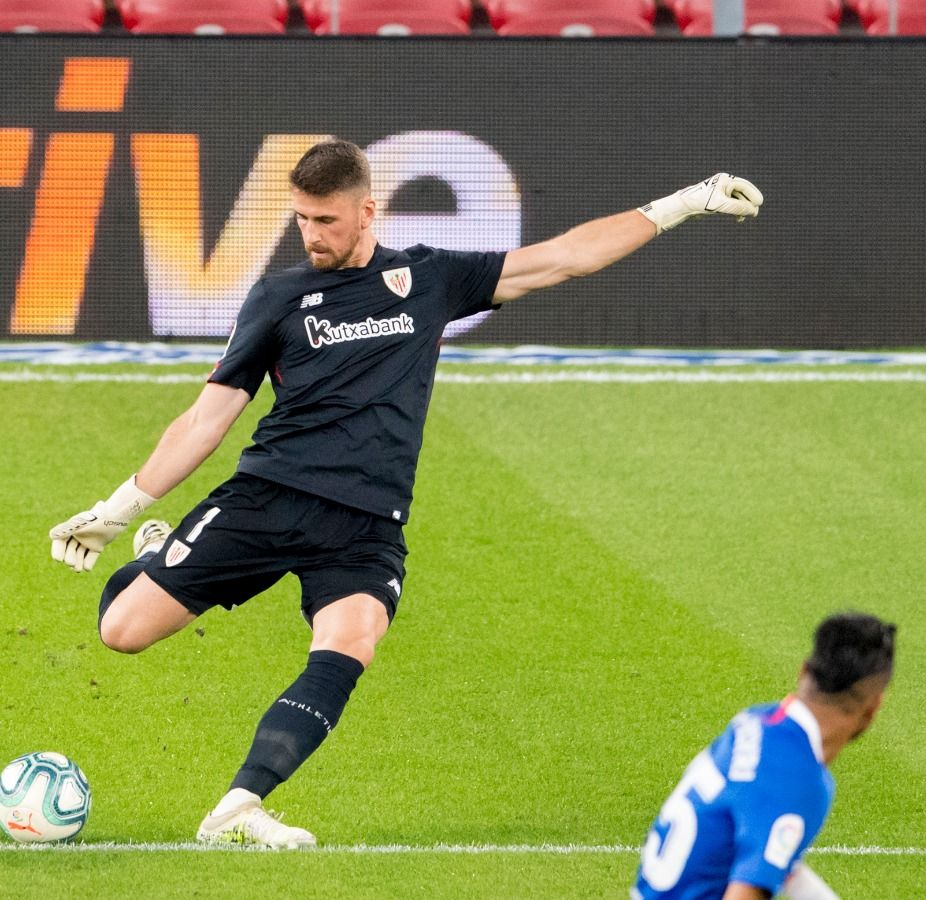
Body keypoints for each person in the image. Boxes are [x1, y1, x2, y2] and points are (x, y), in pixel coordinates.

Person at [48, 139, 764, 848]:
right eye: (300, 219)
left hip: (367, 526)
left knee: (351, 639)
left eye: (326, 220)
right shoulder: (279, 297)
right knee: (123, 632)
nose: (311, 235)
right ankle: (155, 555)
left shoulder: (428, 279)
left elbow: (564, 256)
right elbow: (209, 416)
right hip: (270, 496)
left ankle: (238, 808)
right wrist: (119, 509)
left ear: (367, 211)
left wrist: (682, 204)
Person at [633, 612, 898, 899]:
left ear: (804, 671)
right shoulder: (800, 781)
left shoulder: (756, 721)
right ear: (873, 708)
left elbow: (772, 853)